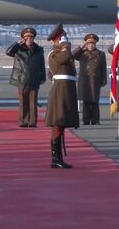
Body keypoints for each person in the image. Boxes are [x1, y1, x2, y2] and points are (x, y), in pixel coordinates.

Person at [45, 23, 79, 168]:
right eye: (63, 39)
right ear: (57, 41)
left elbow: (69, 57)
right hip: (60, 93)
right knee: (58, 124)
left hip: (66, 92)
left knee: (61, 124)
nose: (65, 41)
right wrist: (66, 46)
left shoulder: (63, 54)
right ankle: (55, 158)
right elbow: (65, 56)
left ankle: (57, 158)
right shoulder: (54, 54)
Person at [6, 27, 46, 127]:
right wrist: (17, 44)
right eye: (26, 38)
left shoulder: (39, 49)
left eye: (31, 37)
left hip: (34, 78)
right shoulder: (18, 49)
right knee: (23, 102)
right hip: (22, 78)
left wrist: (43, 77)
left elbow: (42, 64)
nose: (29, 39)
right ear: (23, 39)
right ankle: (23, 121)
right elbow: (8, 52)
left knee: (33, 102)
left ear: (34, 38)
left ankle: (32, 121)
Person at [72, 33, 107, 125]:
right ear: (86, 44)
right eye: (88, 44)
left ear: (95, 44)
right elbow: (72, 56)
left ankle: (95, 119)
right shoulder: (82, 54)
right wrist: (81, 47)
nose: (90, 46)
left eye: (92, 44)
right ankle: (86, 119)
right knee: (86, 101)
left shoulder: (101, 54)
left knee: (95, 101)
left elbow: (103, 67)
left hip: (95, 80)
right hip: (85, 81)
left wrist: (104, 79)